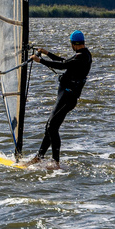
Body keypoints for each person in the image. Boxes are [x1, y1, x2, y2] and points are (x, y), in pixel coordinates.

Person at [25, 30, 91, 168]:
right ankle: (39, 157)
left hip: (68, 97)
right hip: (66, 96)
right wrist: (47, 53)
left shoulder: (82, 57)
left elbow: (62, 65)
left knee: (51, 127)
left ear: (74, 44)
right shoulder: (83, 55)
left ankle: (55, 162)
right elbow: (65, 61)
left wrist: (40, 60)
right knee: (50, 127)